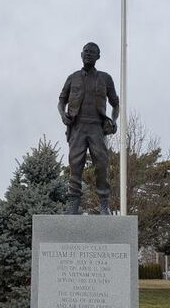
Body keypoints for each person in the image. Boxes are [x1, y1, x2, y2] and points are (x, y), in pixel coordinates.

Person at [58, 42, 119, 215]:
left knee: (101, 164)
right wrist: (63, 115)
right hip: (77, 127)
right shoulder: (73, 77)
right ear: (81, 54)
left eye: (92, 52)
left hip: (96, 128)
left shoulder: (105, 78)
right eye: (86, 51)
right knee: (75, 165)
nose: (88, 54)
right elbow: (61, 101)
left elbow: (116, 104)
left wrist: (113, 121)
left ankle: (104, 204)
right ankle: (73, 204)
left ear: (98, 56)